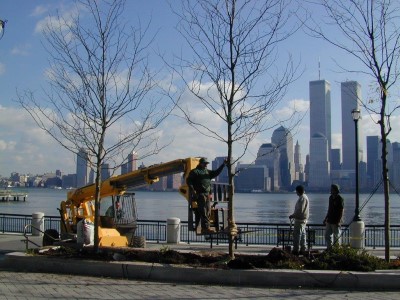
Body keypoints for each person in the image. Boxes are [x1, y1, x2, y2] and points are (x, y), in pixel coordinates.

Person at [186, 157, 227, 234]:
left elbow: (216, 172)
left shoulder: (207, 172)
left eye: (207, 164)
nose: (206, 165)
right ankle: (205, 228)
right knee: (203, 211)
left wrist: (223, 165)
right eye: (204, 163)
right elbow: (189, 181)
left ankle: (206, 227)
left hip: (207, 194)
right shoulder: (195, 172)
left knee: (208, 211)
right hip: (200, 194)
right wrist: (193, 191)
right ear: (200, 163)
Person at [289, 185, 309, 255]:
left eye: (296, 191)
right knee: (303, 235)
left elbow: (300, 210)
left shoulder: (302, 198)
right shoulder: (304, 197)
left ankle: (296, 250)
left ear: (298, 191)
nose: (296, 193)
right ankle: (303, 249)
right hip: (303, 220)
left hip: (300, 220)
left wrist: (293, 215)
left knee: (297, 235)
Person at [323, 184, 344, 248]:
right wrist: (325, 218)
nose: (331, 190)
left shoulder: (340, 199)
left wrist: (339, 221)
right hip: (329, 220)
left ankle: (337, 250)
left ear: (336, 190)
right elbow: (329, 209)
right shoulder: (330, 198)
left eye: (332, 189)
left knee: (336, 237)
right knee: (327, 235)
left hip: (336, 221)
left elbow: (342, 211)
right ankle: (329, 248)